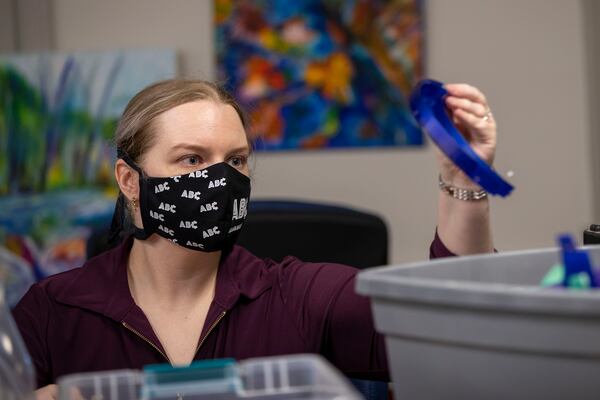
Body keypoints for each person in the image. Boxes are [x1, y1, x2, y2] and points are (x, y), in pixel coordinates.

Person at [13, 79, 497, 399]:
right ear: (129, 179)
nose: (220, 178)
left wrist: (465, 181)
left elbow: (453, 330)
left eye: (237, 160)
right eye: (192, 160)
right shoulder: (52, 311)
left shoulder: (297, 296)